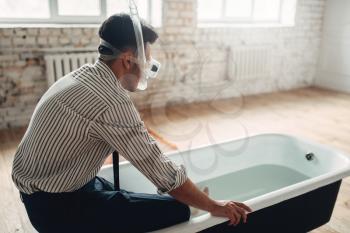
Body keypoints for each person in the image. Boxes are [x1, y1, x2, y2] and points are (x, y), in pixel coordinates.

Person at [11, 14, 252, 233]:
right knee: (173, 208)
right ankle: (193, 207)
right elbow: (159, 170)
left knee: (124, 196)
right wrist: (214, 205)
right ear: (127, 60)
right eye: (145, 61)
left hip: (47, 185)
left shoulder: (84, 74)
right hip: (54, 209)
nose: (147, 69)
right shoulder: (111, 102)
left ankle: (179, 201)